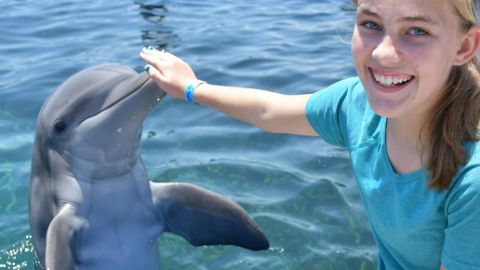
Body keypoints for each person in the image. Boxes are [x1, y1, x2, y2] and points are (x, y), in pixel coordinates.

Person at [140, 0, 480, 269]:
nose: (383, 53)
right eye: (371, 24)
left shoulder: (473, 181)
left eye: (417, 30)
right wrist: (192, 88)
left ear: (464, 46)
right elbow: (271, 112)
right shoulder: (357, 105)